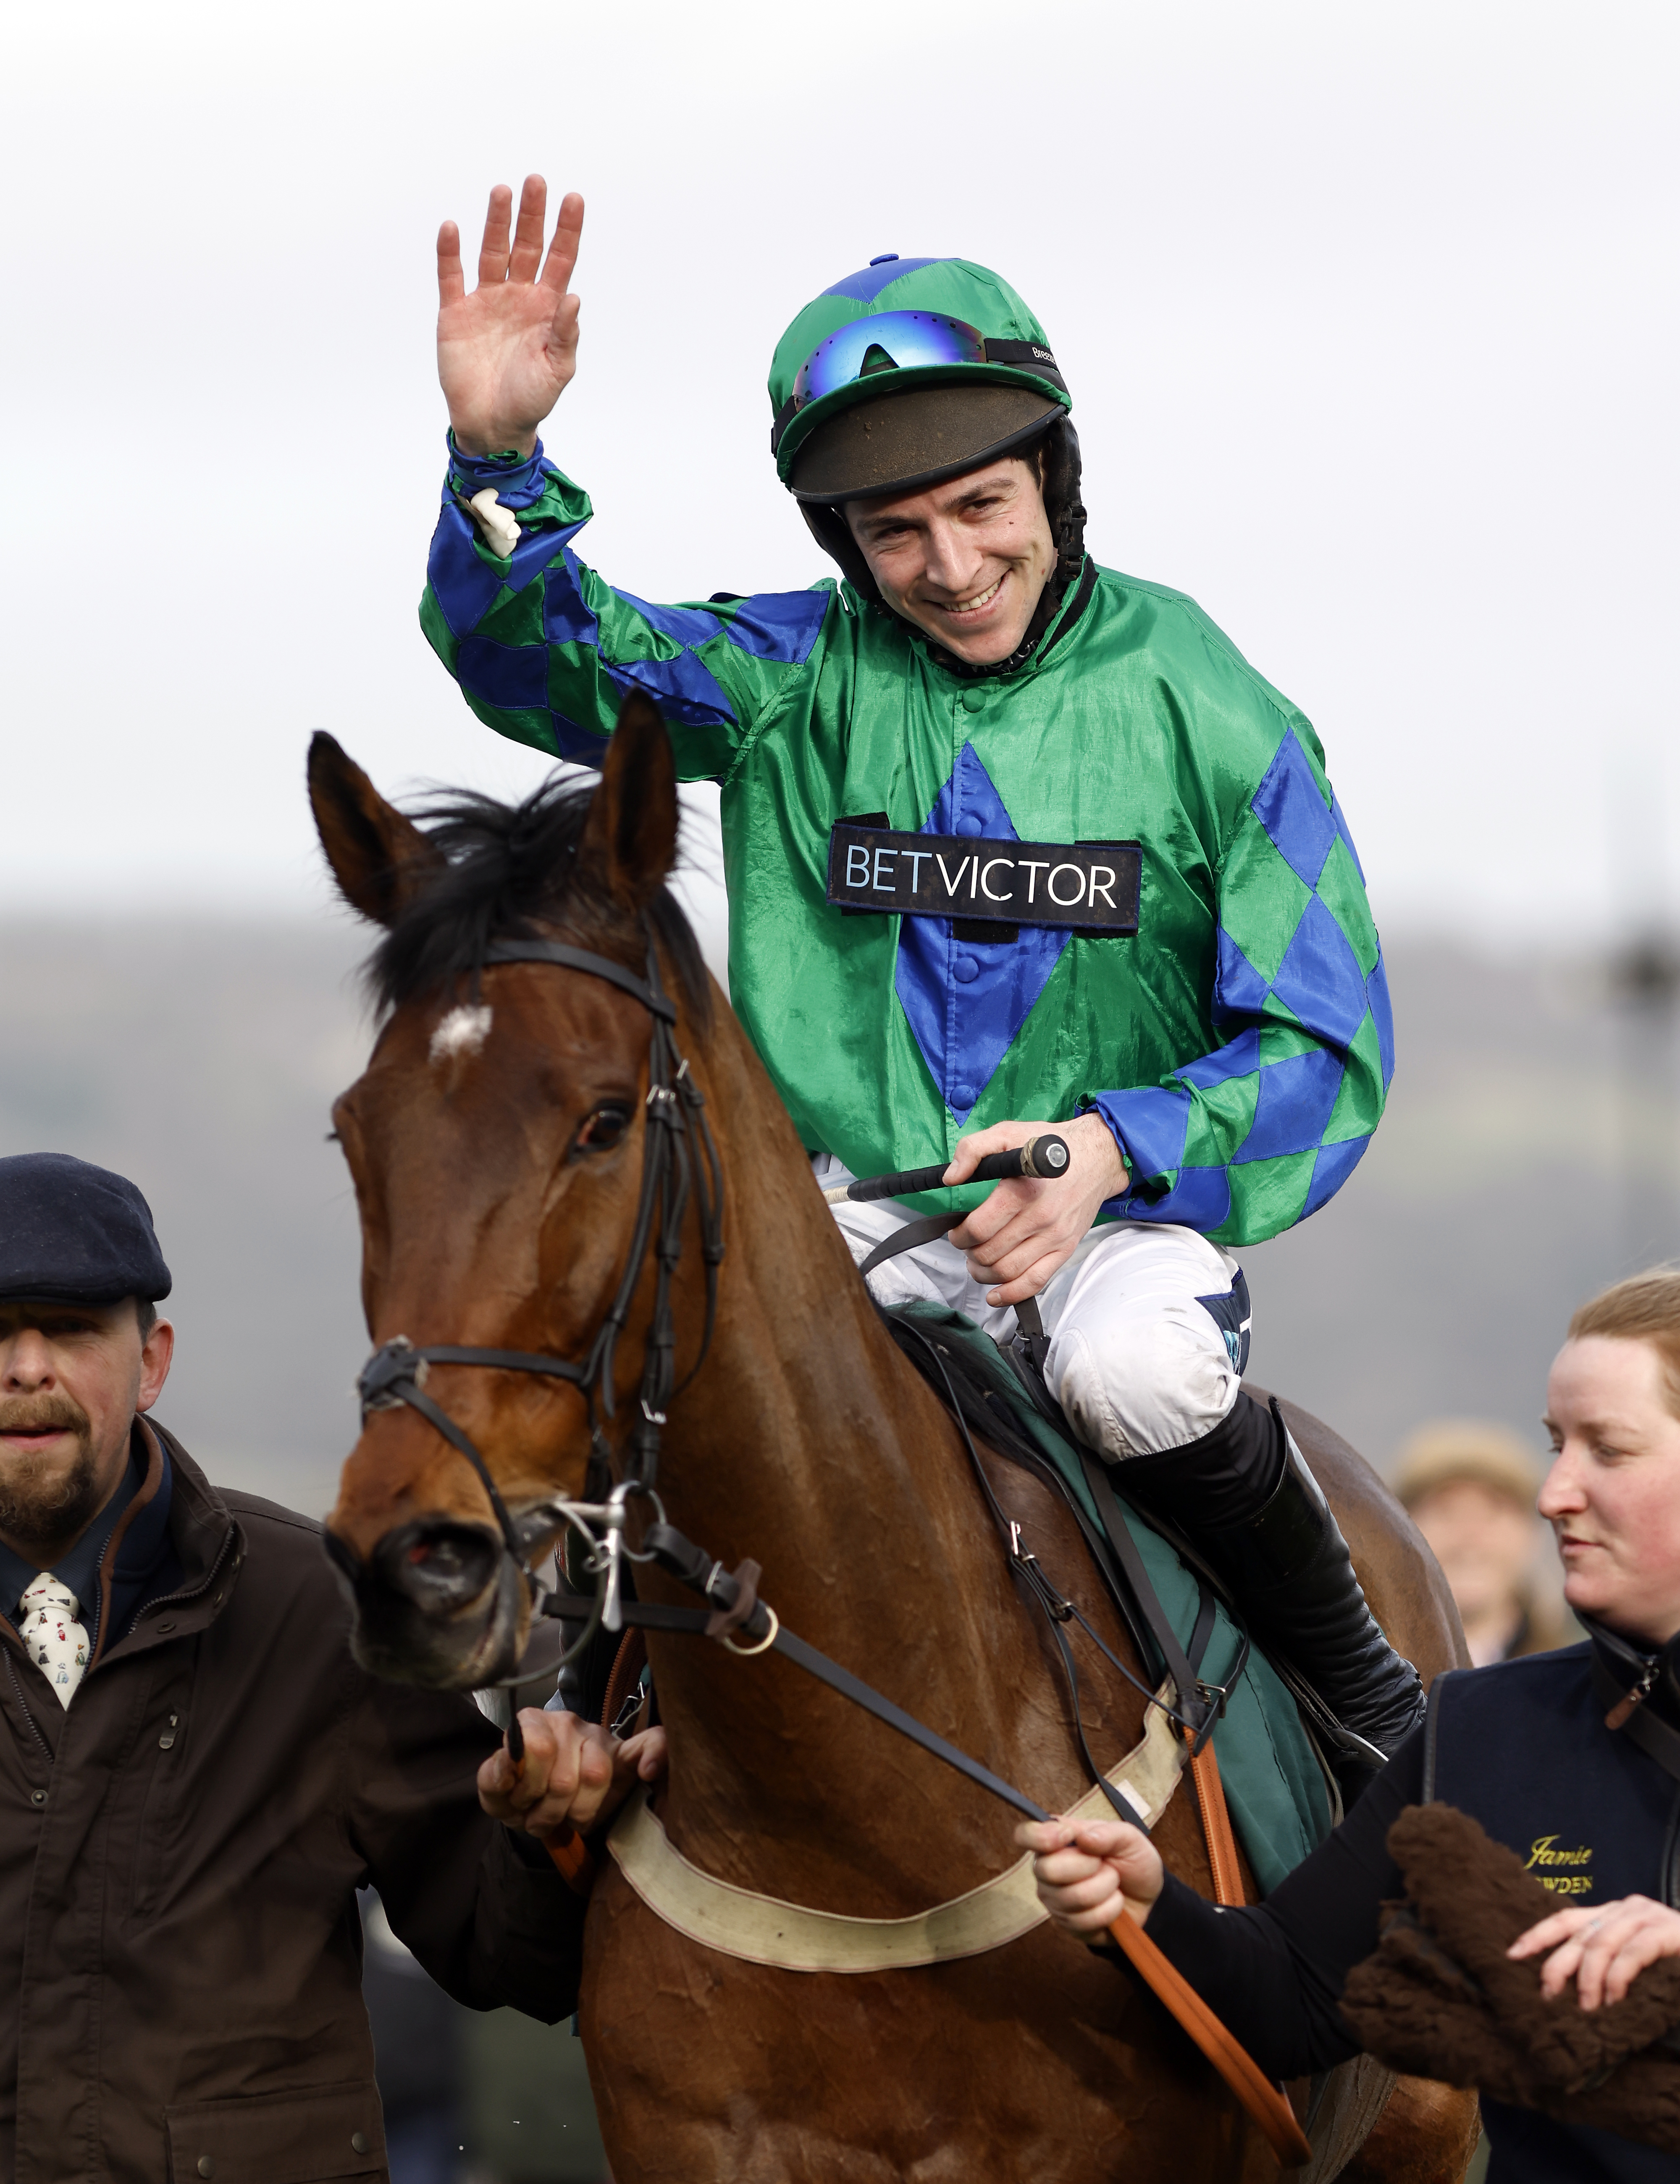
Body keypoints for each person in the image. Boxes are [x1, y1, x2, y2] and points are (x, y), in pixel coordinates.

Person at [414, 178, 1421, 1778]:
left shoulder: (1211, 703)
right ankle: (584, 1747)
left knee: (1136, 1372)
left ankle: (1372, 1706)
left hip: (1116, 1222)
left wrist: (1104, 1148)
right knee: (692, 1389)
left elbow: (1322, 1042)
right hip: (853, 1212)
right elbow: (546, 659)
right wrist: (495, 463)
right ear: (841, 540)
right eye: (894, 531)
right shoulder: (787, 675)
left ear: (1054, 480)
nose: (948, 565)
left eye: (980, 507)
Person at [0, 1151, 611, 2183]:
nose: (25, 1366)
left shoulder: (319, 1609)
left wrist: (544, 1825)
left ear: (151, 1361)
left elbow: (503, 1951)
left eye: (68, 1327)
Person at [1021, 1266, 1680, 2183]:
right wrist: (1154, 1911)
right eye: (1553, 1445)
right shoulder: (1483, 1726)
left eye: (1605, 1449)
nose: (1552, 1493)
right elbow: (1293, 1993)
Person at [1395, 1420, 1573, 1665]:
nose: (1469, 1535)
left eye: (1493, 1513)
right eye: (1446, 1512)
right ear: (1399, 1530)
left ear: (1532, 1533)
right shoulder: (1350, 1675)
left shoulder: (1585, 1676)